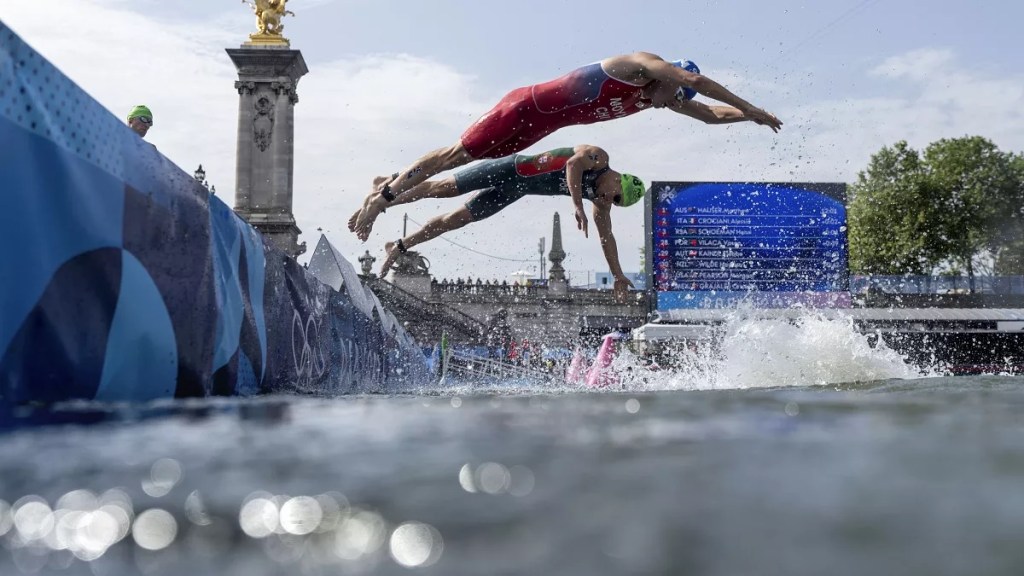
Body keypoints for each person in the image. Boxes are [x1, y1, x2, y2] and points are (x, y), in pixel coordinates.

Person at [349, 52, 783, 240]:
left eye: (670, 104)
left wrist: (753, 115)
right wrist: (747, 101)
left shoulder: (658, 95)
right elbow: (696, 84)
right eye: (668, 96)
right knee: (455, 156)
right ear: (667, 78)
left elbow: (708, 114)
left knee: (465, 163)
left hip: (537, 131)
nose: (662, 106)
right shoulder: (638, 66)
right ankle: (381, 199)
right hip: (522, 108)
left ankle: (388, 184)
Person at [376, 144, 644, 301]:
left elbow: (606, 238)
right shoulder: (599, 158)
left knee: (455, 220)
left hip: (514, 190)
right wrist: (576, 204)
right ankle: (389, 191)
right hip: (510, 168)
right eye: (615, 195)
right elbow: (573, 164)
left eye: (615, 202)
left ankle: (399, 245)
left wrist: (618, 275)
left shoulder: (600, 201)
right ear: (619, 179)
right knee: (444, 188)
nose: (609, 199)